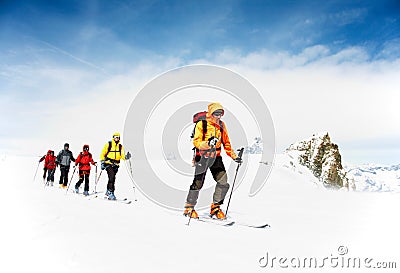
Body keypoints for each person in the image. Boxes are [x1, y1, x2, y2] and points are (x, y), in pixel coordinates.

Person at [183, 102, 242, 219]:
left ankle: (215, 208)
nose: (219, 116)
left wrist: (234, 156)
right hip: (202, 157)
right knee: (198, 183)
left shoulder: (222, 125)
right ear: (211, 113)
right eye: (216, 114)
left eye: (220, 114)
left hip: (216, 158)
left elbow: (226, 143)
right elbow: (196, 142)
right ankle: (189, 208)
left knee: (223, 182)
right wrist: (208, 144)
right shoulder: (202, 124)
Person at [100, 133, 130, 200]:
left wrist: (126, 157)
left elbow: (122, 156)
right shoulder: (109, 144)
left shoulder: (120, 146)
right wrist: (102, 162)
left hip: (116, 165)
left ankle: (108, 190)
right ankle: (111, 192)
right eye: (116, 137)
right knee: (112, 177)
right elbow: (103, 153)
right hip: (108, 163)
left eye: (118, 137)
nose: (117, 138)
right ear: (113, 137)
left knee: (112, 178)